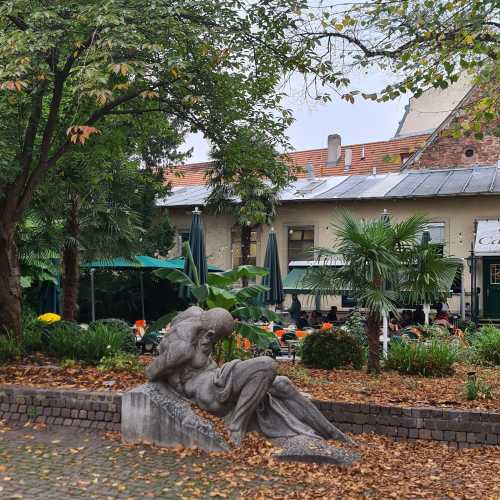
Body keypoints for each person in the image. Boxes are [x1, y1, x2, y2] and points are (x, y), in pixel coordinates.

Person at [145, 306, 353, 446]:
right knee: (267, 366)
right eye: (217, 339)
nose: (214, 344)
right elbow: (151, 372)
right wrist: (170, 364)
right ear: (210, 334)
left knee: (283, 384)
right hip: (209, 391)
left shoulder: (197, 315)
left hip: (217, 376)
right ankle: (236, 426)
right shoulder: (183, 348)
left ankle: (331, 432)